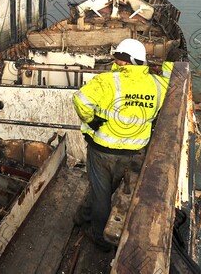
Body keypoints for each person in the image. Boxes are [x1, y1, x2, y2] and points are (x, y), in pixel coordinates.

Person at [72, 38, 170, 252]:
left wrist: (90, 120)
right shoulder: (157, 85)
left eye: (118, 59)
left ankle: (99, 236)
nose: (115, 62)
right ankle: (84, 216)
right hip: (134, 153)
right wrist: (166, 63)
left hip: (102, 150)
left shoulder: (107, 81)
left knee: (101, 194)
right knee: (108, 190)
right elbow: (175, 79)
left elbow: (80, 100)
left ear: (125, 61)